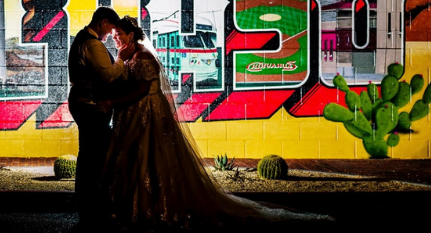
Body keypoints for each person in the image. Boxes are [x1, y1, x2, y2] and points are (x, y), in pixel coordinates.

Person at [97, 15, 335, 231]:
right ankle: (138, 208)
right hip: (135, 116)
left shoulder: (142, 57)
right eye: (115, 36)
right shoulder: (129, 56)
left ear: (131, 35)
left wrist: (114, 101)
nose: (116, 39)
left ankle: (153, 208)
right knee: (138, 160)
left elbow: (141, 90)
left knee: (149, 159)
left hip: (146, 116)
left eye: (119, 35)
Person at [67, 6, 135, 228]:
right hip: (90, 106)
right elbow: (107, 76)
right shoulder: (91, 43)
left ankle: (88, 206)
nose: (111, 35)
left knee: (90, 156)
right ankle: (91, 207)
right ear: (103, 22)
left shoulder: (84, 39)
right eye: (111, 28)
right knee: (95, 157)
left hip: (85, 104)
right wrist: (121, 58)